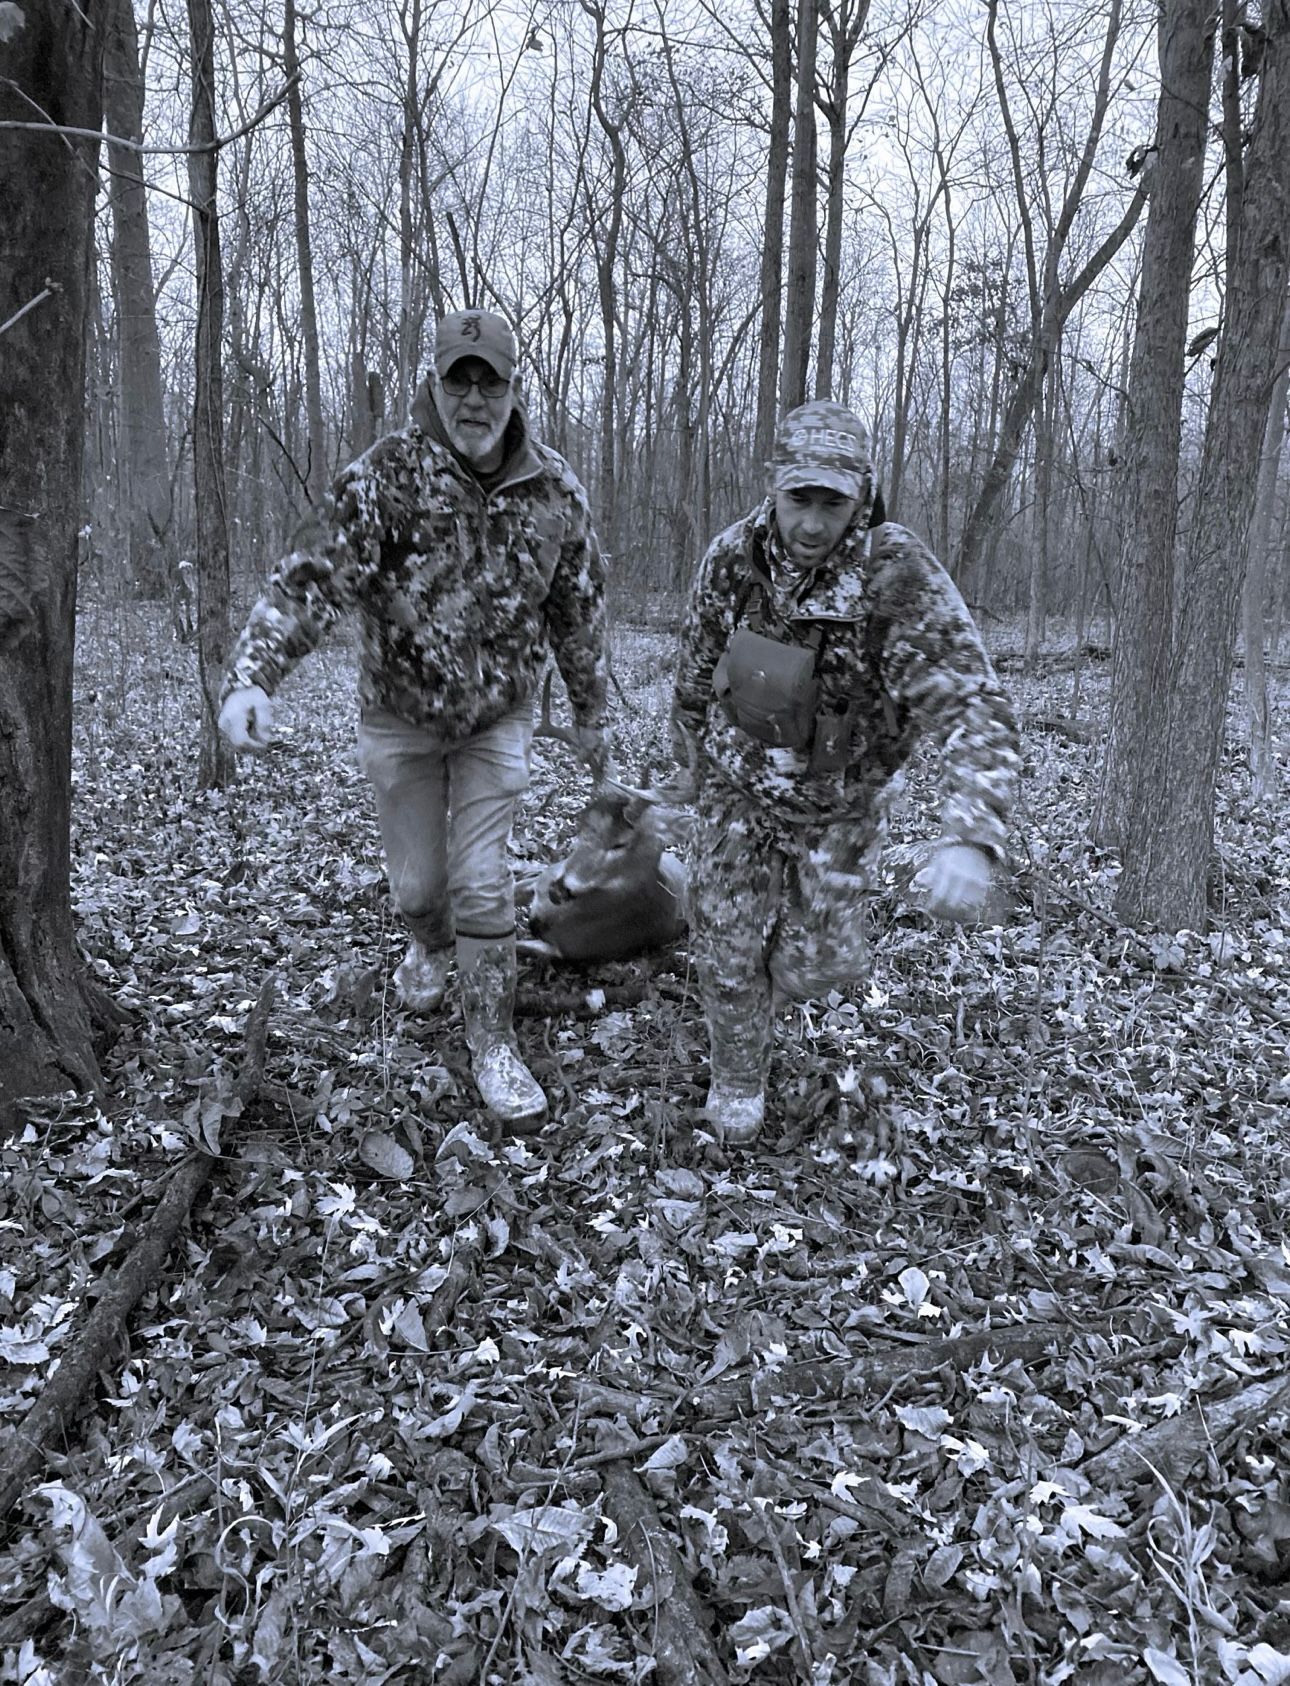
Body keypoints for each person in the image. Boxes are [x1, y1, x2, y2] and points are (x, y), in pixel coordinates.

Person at [218, 308, 610, 1125]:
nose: (474, 398)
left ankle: (493, 1041)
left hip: (498, 719)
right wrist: (254, 676)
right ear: (434, 383)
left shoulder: (555, 493)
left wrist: (590, 712)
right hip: (400, 718)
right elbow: (312, 576)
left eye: (489, 380)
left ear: (512, 388)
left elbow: (578, 611)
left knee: (481, 881)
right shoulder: (386, 475)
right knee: (419, 887)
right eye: (458, 379)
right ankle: (427, 942)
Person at [671, 399, 1020, 1144]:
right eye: (798, 499)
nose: (811, 523)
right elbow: (695, 677)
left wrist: (971, 833)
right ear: (773, 487)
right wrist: (686, 773)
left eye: (833, 503)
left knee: (818, 964)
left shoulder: (895, 572)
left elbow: (969, 699)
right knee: (726, 946)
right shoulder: (734, 561)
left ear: (861, 494)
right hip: (741, 787)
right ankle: (739, 1073)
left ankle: (785, 961)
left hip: (841, 805)